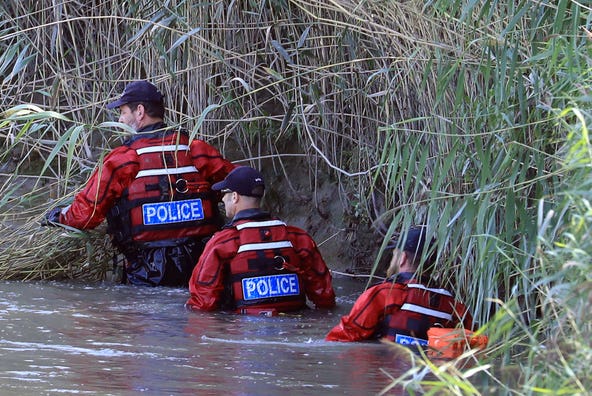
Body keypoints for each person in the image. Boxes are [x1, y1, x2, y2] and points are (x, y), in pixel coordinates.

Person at [43, 80, 235, 287]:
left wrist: (58, 216)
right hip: (204, 268)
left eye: (123, 112)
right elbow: (241, 186)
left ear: (140, 112)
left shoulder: (124, 159)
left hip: (145, 272)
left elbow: (86, 215)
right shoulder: (195, 149)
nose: (120, 119)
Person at [185, 166, 336, 316]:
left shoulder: (223, 242)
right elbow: (325, 296)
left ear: (235, 197)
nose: (222, 199)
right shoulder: (297, 237)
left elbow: (202, 302)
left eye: (225, 194)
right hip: (294, 324)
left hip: (244, 329)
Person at [325, 226, 473, 346]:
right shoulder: (454, 307)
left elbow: (340, 339)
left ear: (402, 258)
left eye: (394, 255)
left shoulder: (385, 294)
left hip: (386, 377)